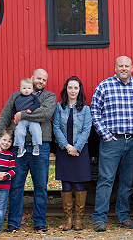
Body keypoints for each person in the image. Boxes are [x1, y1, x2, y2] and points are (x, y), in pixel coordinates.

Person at [0, 68, 57, 233]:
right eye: (38, 78)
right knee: (16, 186)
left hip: (40, 148)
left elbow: (45, 113)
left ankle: (39, 223)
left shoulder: (49, 96)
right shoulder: (15, 96)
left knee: (41, 187)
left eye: (44, 79)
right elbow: (4, 117)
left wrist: (22, 115)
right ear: (32, 78)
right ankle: (13, 223)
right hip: (18, 147)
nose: (41, 81)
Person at [91, 56, 133, 232]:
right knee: (106, 180)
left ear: (132, 68)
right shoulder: (104, 86)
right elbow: (94, 110)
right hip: (111, 141)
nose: (123, 68)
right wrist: (105, 134)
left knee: (127, 181)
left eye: (126, 66)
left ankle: (123, 217)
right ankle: (99, 219)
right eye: (120, 66)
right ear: (115, 68)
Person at [53, 76, 92, 231]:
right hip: (64, 150)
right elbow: (56, 126)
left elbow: (87, 129)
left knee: (80, 183)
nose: (73, 91)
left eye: (76, 88)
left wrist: (76, 147)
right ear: (66, 89)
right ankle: (68, 219)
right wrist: (67, 146)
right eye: (70, 88)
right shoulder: (59, 107)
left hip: (80, 150)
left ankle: (79, 220)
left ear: (79, 90)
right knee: (66, 183)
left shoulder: (86, 108)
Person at [12, 78, 42, 158]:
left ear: (32, 89)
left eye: (29, 88)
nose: (26, 90)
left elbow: (37, 105)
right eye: (24, 88)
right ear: (20, 89)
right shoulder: (17, 98)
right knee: (19, 131)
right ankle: (20, 147)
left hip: (32, 119)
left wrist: (30, 109)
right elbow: (14, 108)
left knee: (36, 130)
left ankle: (36, 146)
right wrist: (14, 118)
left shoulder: (34, 97)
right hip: (22, 120)